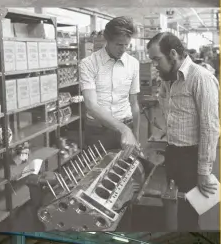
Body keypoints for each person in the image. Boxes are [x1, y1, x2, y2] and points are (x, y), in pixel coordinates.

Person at [147, 32, 219, 229]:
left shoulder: (200, 79)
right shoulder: (167, 78)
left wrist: (203, 171)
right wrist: (167, 128)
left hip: (192, 155)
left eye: (156, 59)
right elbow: (165, 102)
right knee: (170, 201)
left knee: (189, 213)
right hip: (173, 151)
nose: (154, 65)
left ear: (172, 54)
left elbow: (210, 128)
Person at [79, 16, 141, 151]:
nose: (123, 49)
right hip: (98, 131)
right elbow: (91, 105)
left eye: (127, 44)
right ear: (107, 40)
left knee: (126, 169)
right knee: (97, 169)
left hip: (127, 125)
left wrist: (135, 134)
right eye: (119, 44)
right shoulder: (88, 64)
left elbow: (134, 102)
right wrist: (124, 130)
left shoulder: (133, 64)